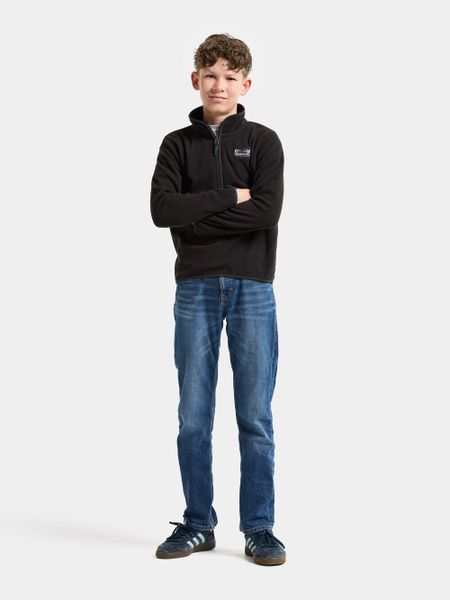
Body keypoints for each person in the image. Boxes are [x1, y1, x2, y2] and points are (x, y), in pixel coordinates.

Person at [150, 33, 286, 566]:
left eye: (230, 77)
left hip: (253, 287)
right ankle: (197, 523)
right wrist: (231, 196)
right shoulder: (175, 145)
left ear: (245, 85)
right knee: (193, 416)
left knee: (255, 416)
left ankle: (259, 527)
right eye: (210, 75)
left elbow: (267, 211)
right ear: (195, 80)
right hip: (196, 288)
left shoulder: (264, 141)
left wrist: (198, 217)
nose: (219, 85)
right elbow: (163, 211)